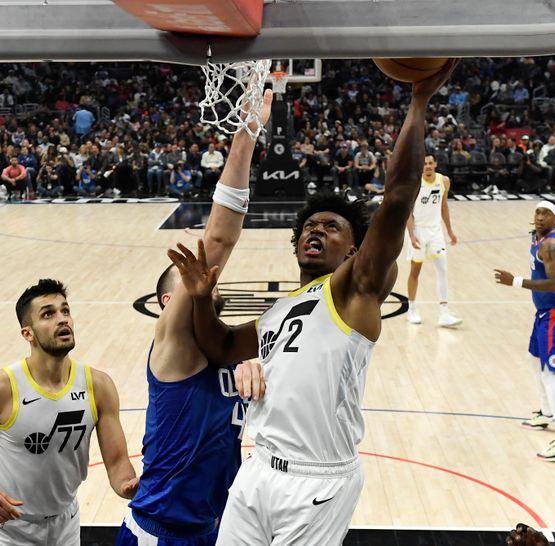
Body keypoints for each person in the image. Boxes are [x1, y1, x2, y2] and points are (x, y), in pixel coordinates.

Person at [167, 59, 460, 545]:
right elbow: (220, 347)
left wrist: (418, 103)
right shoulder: (280, 311)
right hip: (258, 466)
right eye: (309, 226)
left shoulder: (356, 289)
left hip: (318, 481)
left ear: (354, 249)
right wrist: (200, 299)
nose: (315, 231)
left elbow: (399, 194)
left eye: (331, 226)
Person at [116, 90, 272, 546]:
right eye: (188, 281)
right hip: (160, 532)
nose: (209, 280)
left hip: (215, 527)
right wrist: (247, 134)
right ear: (169, 303)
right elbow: (219, 240)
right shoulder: (173, 346)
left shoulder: (222, 348)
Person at [0, 279, 138, 545]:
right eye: (48, 314)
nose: (62, 319)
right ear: (28, 333)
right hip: (6, 532)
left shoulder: (98, 386)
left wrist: (129, 485)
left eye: (65, 311)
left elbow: (117, 464)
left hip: (65, 526)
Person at [494, 199, 555, 461]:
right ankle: (547, 413)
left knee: (552, 374)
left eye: (547, 213)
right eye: (538, 212)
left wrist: (516, 281)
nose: (541, 217)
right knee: (533, 359)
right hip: (544, 313)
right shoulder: (538, 238)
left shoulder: (552, 245)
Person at [405, 153, 461, 327]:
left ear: (435, 163)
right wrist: (412, 235)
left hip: (436, 231)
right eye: (424, 164)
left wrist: (450, 231)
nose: (428, 166)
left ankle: (444, 313)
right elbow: (408, 212)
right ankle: (412, 308)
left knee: (443, 269)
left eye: (430, 163)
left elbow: (444, 206)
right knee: (415, 271)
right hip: (419, 231)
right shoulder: (414, 184)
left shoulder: (444, 181)